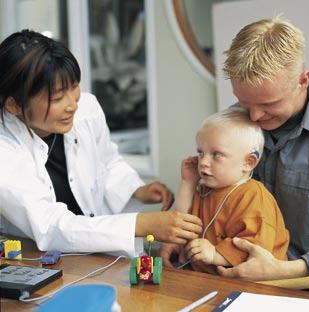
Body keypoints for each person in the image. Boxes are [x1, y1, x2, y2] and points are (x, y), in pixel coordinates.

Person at [0, 30, 202, 256]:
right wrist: (141, 224)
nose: (72, 105)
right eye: (57, 98)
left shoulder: (86, 108)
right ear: (14, 106)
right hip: (34, 261)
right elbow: (49, 226)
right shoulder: (4, 151)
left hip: (95, 255)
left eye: (74, 86)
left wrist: (136, 189)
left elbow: (107, 161)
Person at [215, 17, 309, 297]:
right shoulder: (233, 124)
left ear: (303, 80)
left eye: (269, 104)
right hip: (233, 283)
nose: (254, 117)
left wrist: (284, 270)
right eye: (245, 103)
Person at [165, 107, 289, 275]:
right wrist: (188, 183)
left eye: (216, 155)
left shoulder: (253, 196)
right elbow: (181, 220)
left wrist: (216, 254)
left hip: (253, 285)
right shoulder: (204, 189)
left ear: (249, 162)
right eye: (201, 153)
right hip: (205, 277)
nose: (203, 162)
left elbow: (255, 247)